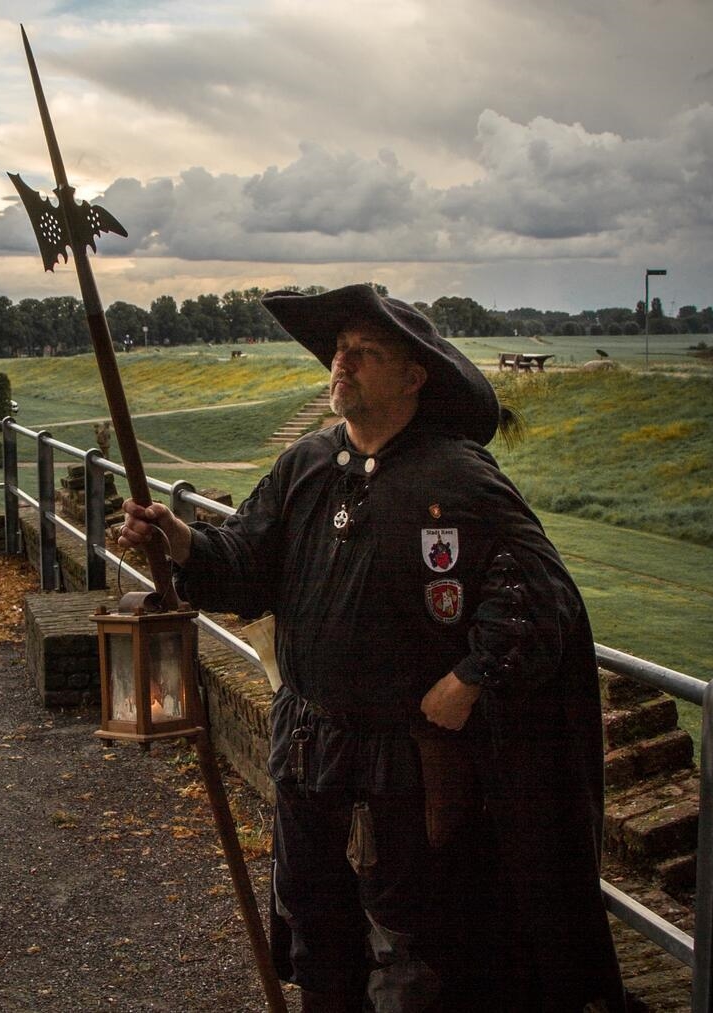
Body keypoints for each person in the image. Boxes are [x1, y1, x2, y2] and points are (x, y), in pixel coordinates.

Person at [119, 285, 625, 1012]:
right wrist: (181, 538)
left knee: (410, 954)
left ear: (413, 377)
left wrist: (470, 675)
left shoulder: (458, 476)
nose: (341, 363)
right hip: (310, 752)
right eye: (339, 352)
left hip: (406, 772)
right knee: (320, 941)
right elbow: (246, 560)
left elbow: (540, 591)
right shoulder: (306, 465)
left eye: (365, 353)